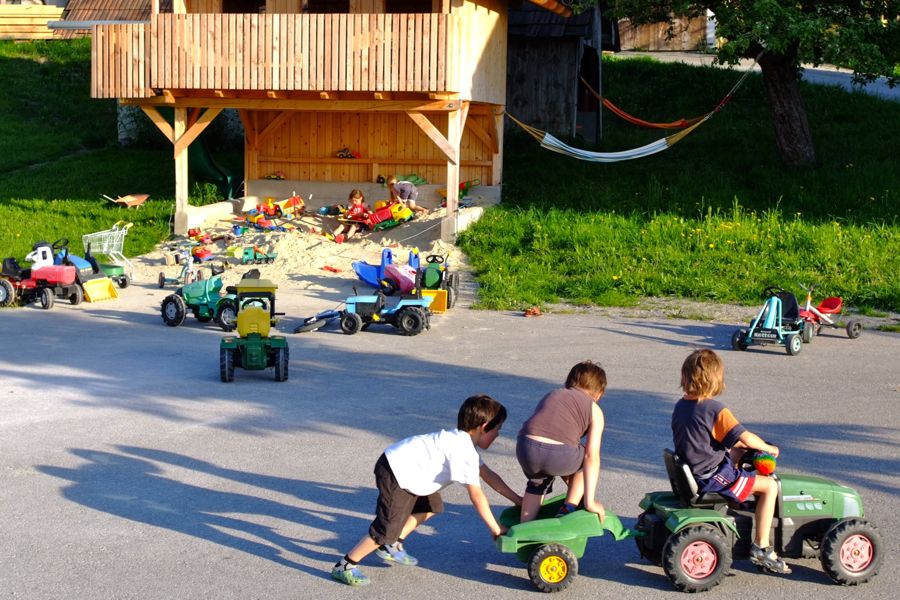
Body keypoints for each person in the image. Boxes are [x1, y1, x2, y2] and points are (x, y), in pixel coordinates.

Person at [331, 394, 522, 587]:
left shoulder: (463, 443)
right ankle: (345, 565)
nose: (498, 434)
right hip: (395, 471)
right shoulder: (462, 450)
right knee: (387, 527)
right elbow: (477, 496)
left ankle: (392, 544)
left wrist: (518, 500)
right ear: (483, 427)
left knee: (432, 505)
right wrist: (495, 528)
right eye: (497, 429)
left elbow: (489, 475)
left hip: (411, 472)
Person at [672, 349, 791, 575]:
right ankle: (762, 546)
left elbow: (713, 440)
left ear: (685, 376)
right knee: (770, 487)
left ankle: (738, 503)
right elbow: (745, 436)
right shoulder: (715, 409)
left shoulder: (681, 406)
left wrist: (740, 449)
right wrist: (768, 448)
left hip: (698, 469)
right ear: (715, 378)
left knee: (737, 450)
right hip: (711, 477)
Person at [516, 361, 607, 523]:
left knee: (537, 483)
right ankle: (568, 508)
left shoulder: (553, 394)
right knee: (583, 461)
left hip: (525, 447)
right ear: (599, 394)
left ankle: (525, 526)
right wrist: (590, 501)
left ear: (567, 383)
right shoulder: (595, 410)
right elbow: (591, 457)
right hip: (558, 455)